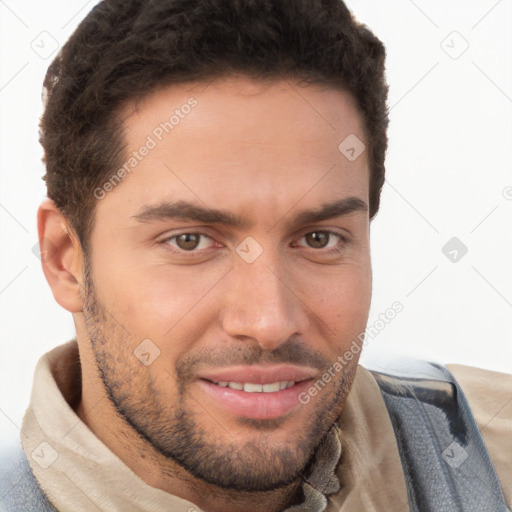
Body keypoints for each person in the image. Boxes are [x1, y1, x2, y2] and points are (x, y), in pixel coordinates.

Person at [0, 0, 510, 511]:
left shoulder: (492, 451)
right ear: (65, 258)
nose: (269, 321)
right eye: (190, 241)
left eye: (319, 239)